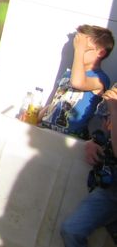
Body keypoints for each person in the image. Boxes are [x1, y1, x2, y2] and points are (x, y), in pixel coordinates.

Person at [60, 85, 117, 247]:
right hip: (110, 186)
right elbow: (101, 125)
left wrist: (115, 111)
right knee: (72, 230)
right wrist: (96, 140)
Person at [38, 25, 114, 138]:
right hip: (46, 131)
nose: (77, 51)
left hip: (71, 139)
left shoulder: (100, 78)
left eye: (84, 48)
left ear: (100, 53)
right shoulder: (68, 74)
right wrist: (38, 117)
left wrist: (79, 50)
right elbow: (55, 103)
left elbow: (77, 82)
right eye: (76, 47)